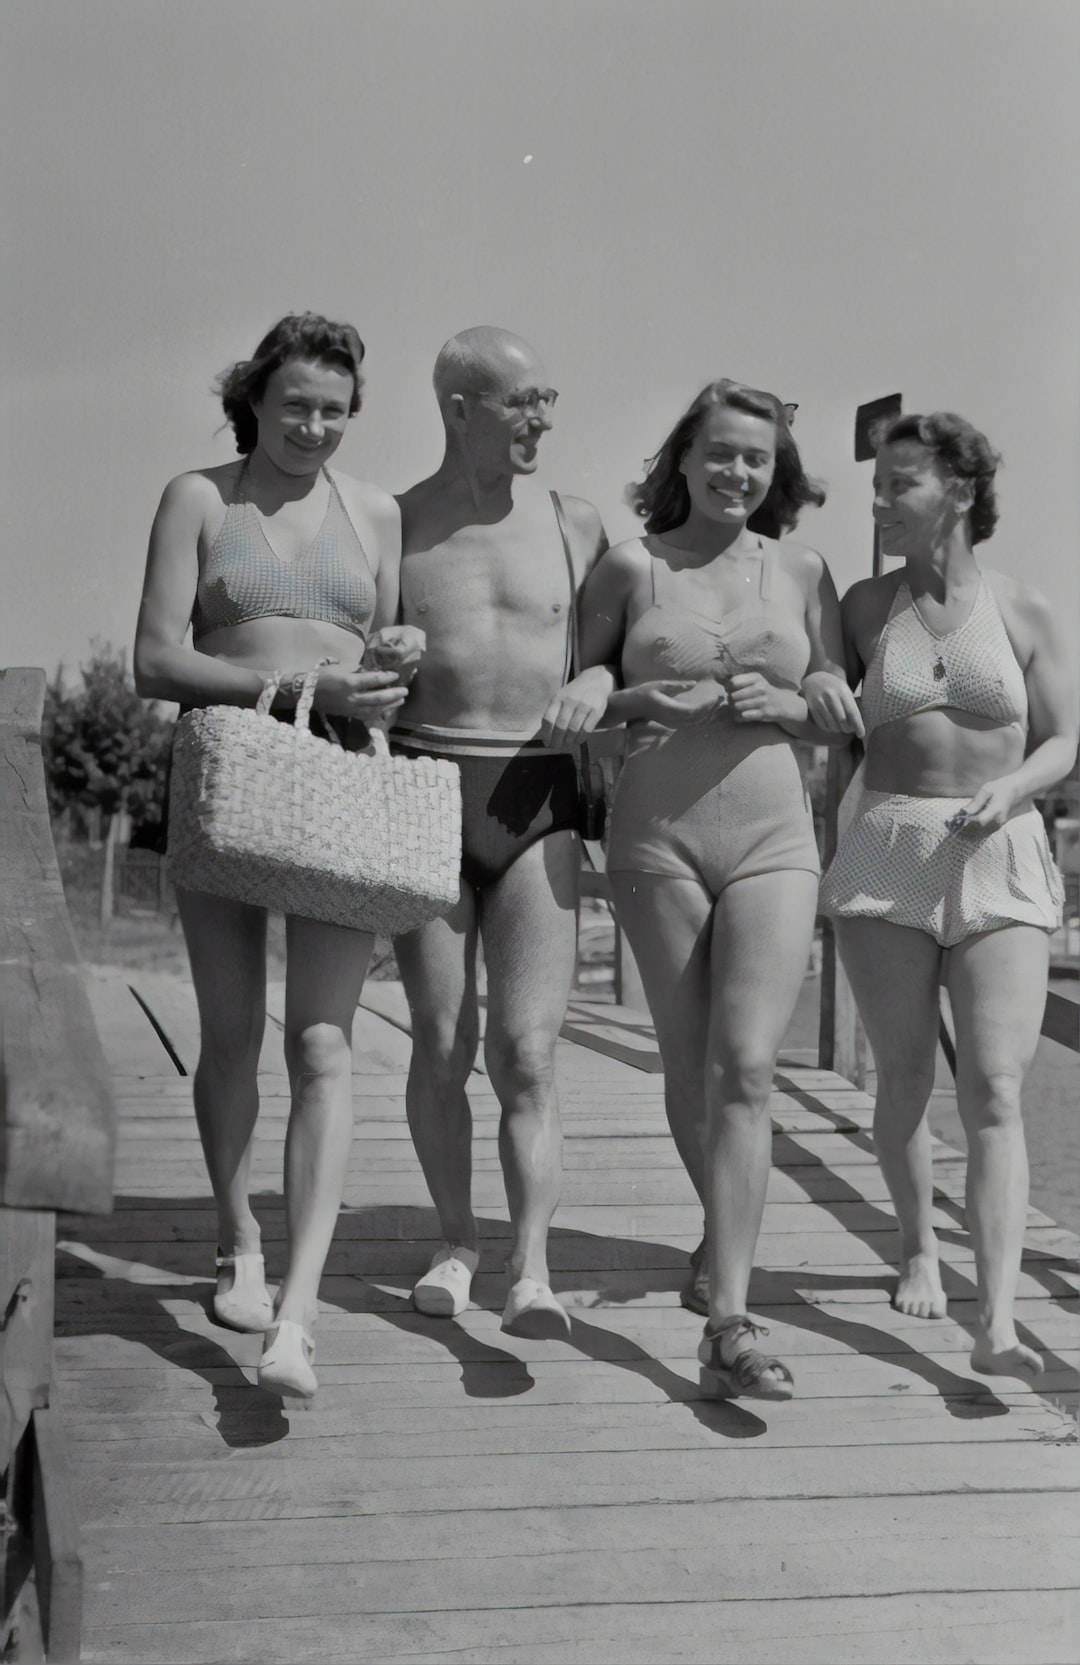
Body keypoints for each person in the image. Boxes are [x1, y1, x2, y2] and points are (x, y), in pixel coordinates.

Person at [134, 312, 413, 1398]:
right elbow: (156, 659)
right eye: (296, 403)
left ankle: (295, 1316)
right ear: (253, 396)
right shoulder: (201, 499)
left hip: (341, 768)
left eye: (335, 411)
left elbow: (382, 662)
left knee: (327, 1047)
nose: (314, 427)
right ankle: (235, 1234)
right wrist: (293, 687)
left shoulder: (376, 512)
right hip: (227, 767)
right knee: (234, 1031)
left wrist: (392, 661)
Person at [576, 379, 861, 1401]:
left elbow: (837, 714)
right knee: (692, 1065)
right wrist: (625, 698)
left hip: (774, 837)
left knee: (747, 1065)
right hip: (656, 841)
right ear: (683, 459)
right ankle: (720, 1245)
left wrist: (797, 700)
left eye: (759, 457)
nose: (740, 473)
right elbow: (578, 713)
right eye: (723, 454)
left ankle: (732, 1316)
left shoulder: (805, 568)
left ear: (777, 470)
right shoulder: (630, 567)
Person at [812, 411, 1076, 1381]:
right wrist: (816, 687)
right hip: (890, 847)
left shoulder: (1026, 606)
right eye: (878, 483)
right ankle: (918, 1241)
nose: (879, 500)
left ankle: (997, 1315)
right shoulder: (860, 606)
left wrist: (1017, 787)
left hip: (999, 848)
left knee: (997, 1087)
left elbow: (1063, 736)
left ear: (959, 492)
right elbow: (814, 683)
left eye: (900, 483)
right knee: (907, 1079)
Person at [392, 326, 611, 1338]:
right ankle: (455, 1240)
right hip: (423, 781)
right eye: (525, 402)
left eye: (550, 399)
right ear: (460, 408)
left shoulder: (575, 523)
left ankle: (532, 1268)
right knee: (441, 1041)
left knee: (527, 1050)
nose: (545, 420)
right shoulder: (391, 525)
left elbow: (621, 645)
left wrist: (602, 676)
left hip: (537, 791)